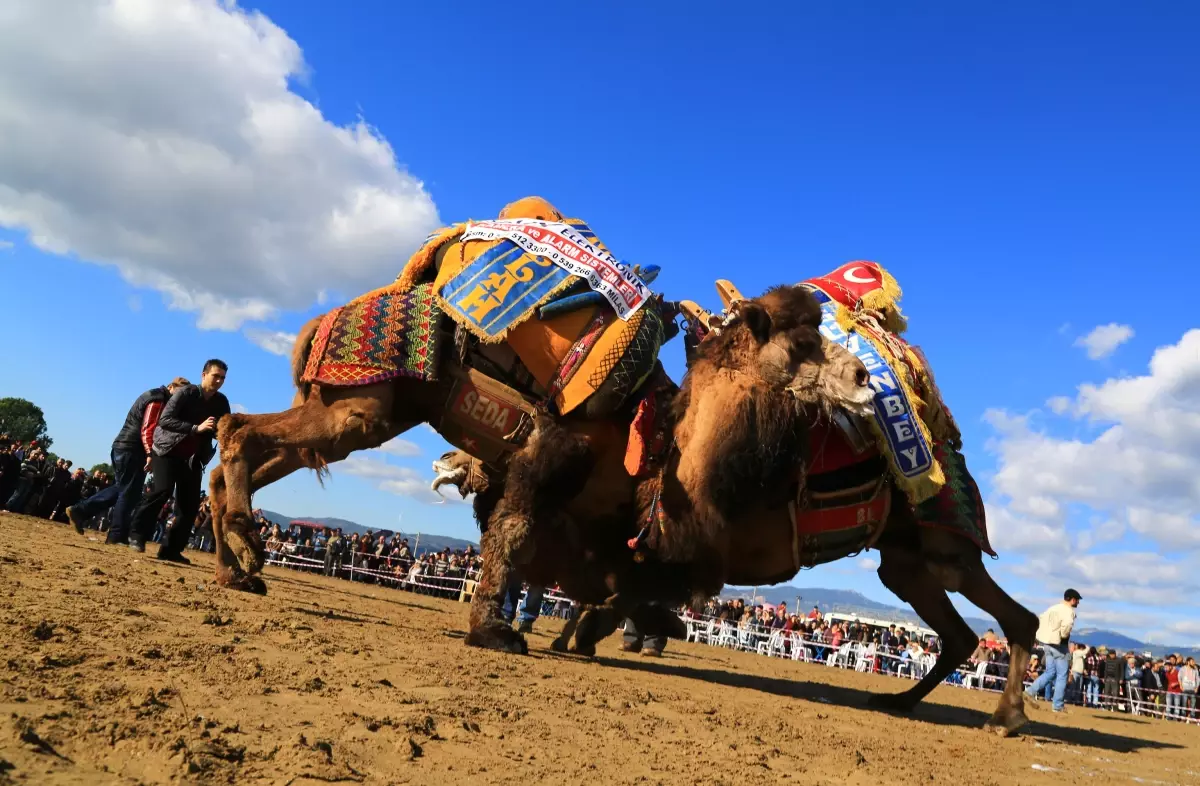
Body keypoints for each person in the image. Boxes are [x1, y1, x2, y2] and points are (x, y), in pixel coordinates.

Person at [128, 360, 230, 562]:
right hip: (167, 450)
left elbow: (223, 428)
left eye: (223, 378)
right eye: (215, 376)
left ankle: (171, 550)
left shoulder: (221, 402)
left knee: (189, 506)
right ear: (203, 375)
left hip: (193, 458)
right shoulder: (186, 393)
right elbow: (164, 420)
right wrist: (196, 428)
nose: (219, 381)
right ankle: (137, 535)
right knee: (161, 491)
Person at [66, 377, 190, 543]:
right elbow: (148, 428)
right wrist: (150, 453)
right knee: (129, 493)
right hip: (133, 449)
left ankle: (80, 511)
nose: (180, 398)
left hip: (124, 447)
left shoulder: (154, 396)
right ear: (171, 387)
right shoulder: (158, 400)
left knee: (124, 489)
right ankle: (116, 535)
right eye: (179, 393)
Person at [1025, 588, 1082, 713]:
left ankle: (1029, 692)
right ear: (1072, 600)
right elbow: (1067, 626)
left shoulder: (1052, 608)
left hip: (1046, 643)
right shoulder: (1068, 611)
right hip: (1059, 644)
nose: (1078, 603)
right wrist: (1063, 636)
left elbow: (1040, 619)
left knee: (1050, 672)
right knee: (1062, 675)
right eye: (1077, 600)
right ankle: (1058, 705)